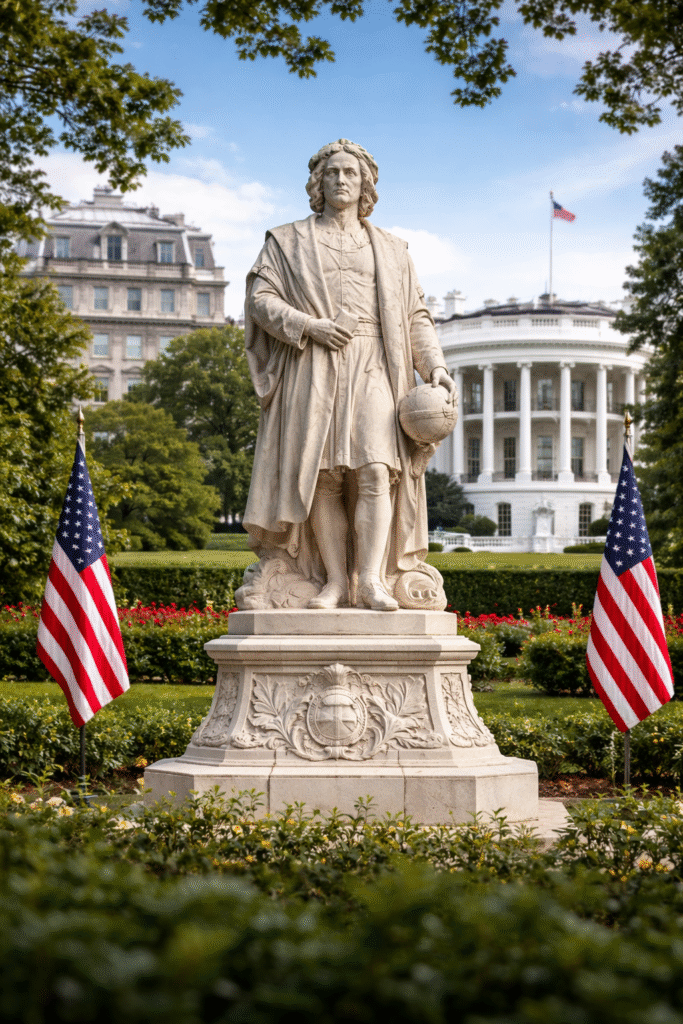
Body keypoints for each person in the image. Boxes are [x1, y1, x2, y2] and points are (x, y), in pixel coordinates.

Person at [236, 139, 456, 612]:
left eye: (350, 173)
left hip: (377, 359)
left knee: (377, 470)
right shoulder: (287, 240)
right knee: (322, 477)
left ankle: (372, 580)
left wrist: (435, 367)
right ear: (318, 182)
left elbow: (416, 315)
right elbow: (261, 301)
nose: (341, 180)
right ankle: (334, 582)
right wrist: (308, 326)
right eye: (332, 172)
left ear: (365, 185)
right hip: (313, 360)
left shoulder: (393, 249)